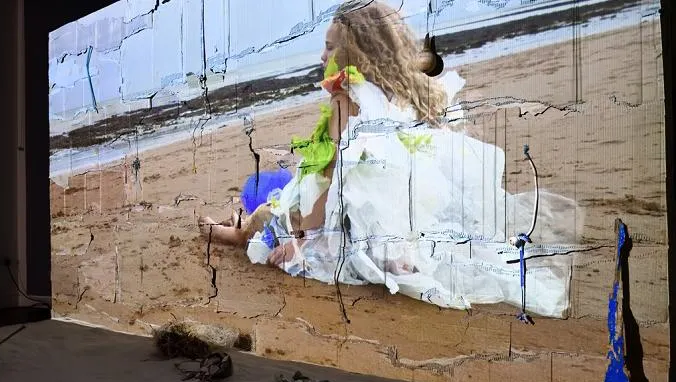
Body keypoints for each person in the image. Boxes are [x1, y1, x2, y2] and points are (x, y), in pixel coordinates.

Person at [200, 0, 584, 318]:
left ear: (358, 53)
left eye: (331, 47)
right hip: (399, 226)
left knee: (266, 199)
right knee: (277, 188)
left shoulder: (344, 97)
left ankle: (235, 232)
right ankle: (246, 219)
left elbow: (328, 172)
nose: (322, 55)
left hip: (346, 224)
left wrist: (304, 241)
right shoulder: (409, 93)